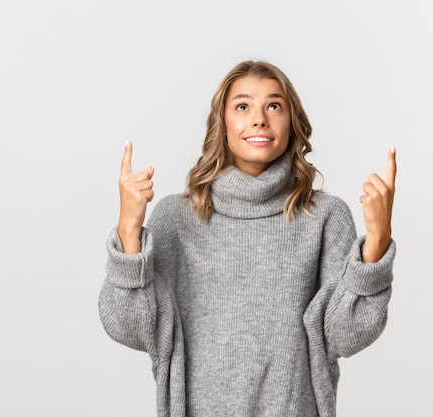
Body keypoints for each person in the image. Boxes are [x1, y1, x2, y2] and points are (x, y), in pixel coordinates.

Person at [99, 60, 397, 417]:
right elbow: (130, 326)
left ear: (292, 124)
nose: (259, 119)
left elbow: (345, 337)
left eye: (274, 105)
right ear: (222, 126)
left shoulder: (325, 217)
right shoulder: (175, 218)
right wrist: (128, 232)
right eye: (242, 106)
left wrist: (377, 243)